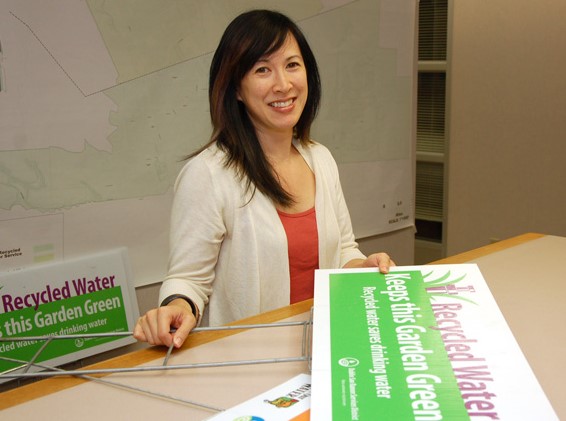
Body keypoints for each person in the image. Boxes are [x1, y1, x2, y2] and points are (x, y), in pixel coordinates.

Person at [134, 9, 395, 349]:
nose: (283, 84)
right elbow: (188, 280)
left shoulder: (321, 159)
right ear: (237, 89)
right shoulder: (209, 175)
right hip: (252, 363)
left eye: (292, 65)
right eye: (262, 70)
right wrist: (177, 308)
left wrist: (362, 265)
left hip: (328, 350)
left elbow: (343, 248)